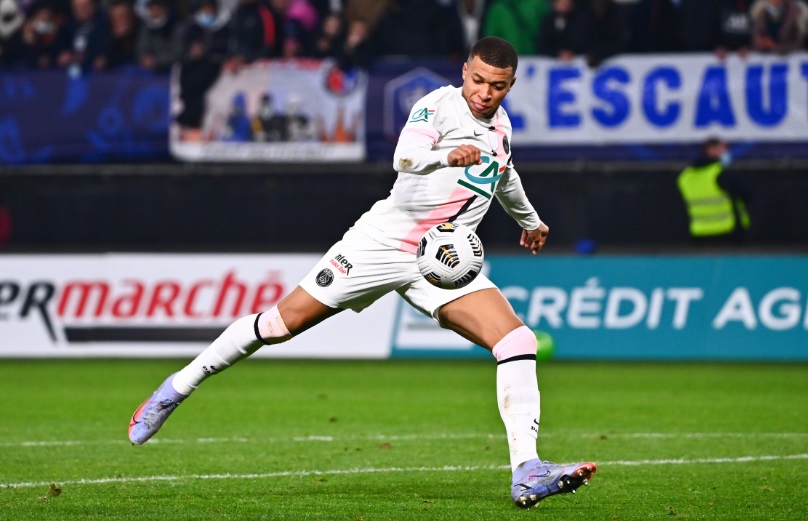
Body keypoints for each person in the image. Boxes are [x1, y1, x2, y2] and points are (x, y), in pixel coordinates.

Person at [128, 36, 597, 510]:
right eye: (477, 80)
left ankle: (527, 470)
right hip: (381, 243)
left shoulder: (500, 126)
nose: (484, 92)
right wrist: (445, 156)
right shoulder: (437, 107)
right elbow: (404, 158)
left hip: (442, 260)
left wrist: (530, 221)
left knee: (517, 340)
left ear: (510, 85)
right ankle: (175, 389)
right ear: (464, 71)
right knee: (277, 325)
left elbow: (504, 174)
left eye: (496, 86)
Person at [677, 137, 752, 244]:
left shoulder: (686, 176)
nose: (726, 153)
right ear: (710, 150)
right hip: (729, 232)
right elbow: (747, 194)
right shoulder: (721, 174)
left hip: (699, 232)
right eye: (723, 149)